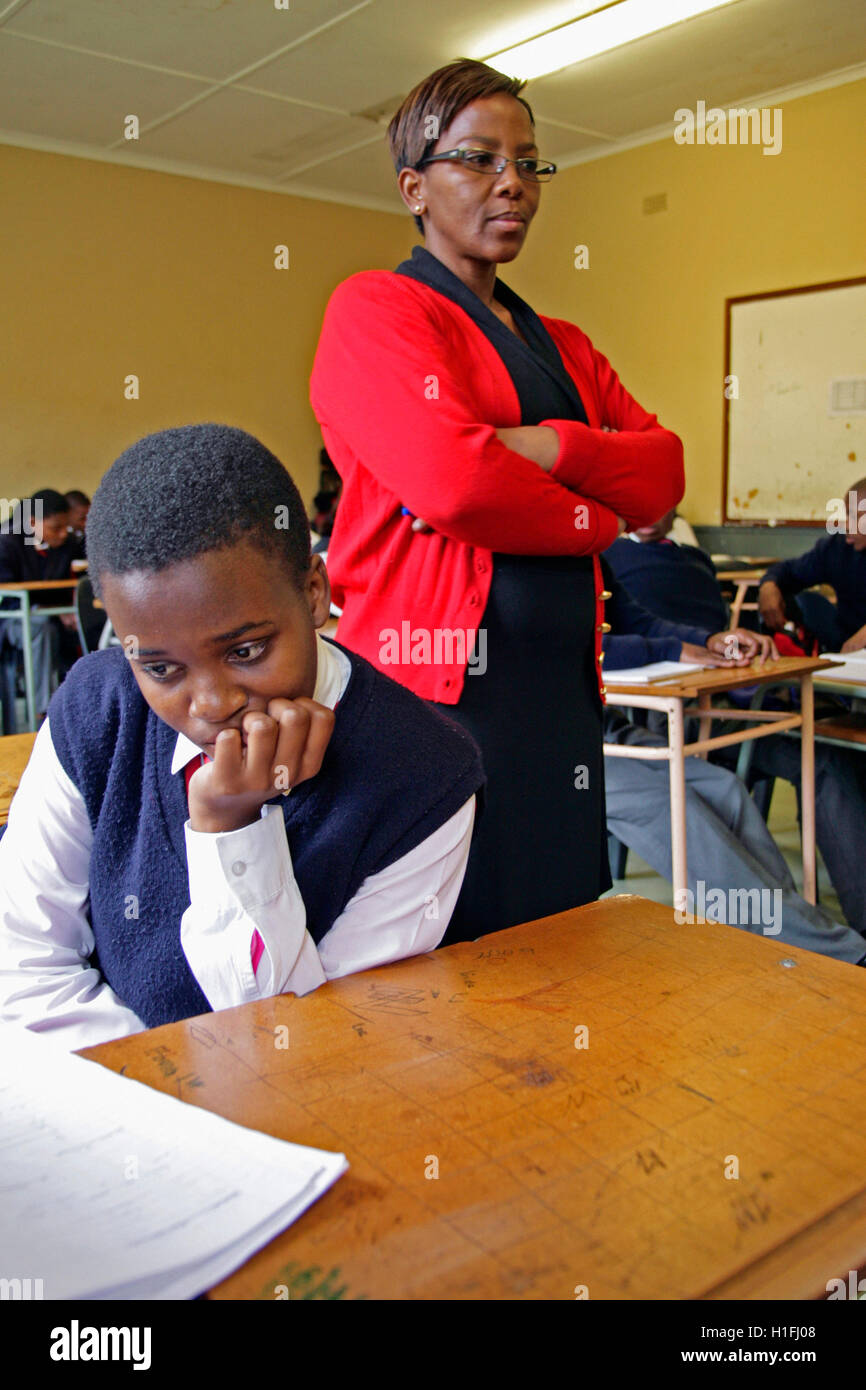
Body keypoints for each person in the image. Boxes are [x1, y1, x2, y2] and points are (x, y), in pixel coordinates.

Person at [311, 59, 684, 942]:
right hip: (433, 694)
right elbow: (460, 484)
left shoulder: (565, 345)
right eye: (478, 159)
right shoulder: (377, 311)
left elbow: (663, 475)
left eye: (529, 162)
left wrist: (550, 445)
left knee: (559, 943)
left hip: (558, 695)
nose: (512, 182)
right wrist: (597, 515)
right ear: (415, 187)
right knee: (443, 959)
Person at [0, 425, 484, 1050]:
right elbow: (21, 971)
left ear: (314, 592)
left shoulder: (425, 777)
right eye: (160, 669)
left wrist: (231, 830)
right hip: (115, 1110)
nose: (212, 704)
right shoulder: (96, 709)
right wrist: (163, 1102)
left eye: (247, 649)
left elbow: (300, 1049)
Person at [600, 540, 866, 939]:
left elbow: (641, 621)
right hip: (616, 717)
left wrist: (710, 640)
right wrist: (678, 648)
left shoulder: (604, 556)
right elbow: (578, 647)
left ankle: (794, 934)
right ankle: (822, 946)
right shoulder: (587, 548)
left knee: (723, 787)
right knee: (673, 802)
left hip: (661, 703)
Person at [758, 476, 866, 653]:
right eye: (846, 515)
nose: (846, 525)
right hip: (847, 658)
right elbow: (789, 571)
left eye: (854, 516)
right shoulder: (837, 549)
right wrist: (768, 586)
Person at [0, 488, 80, 722]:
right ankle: (43, 712)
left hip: (54, 616)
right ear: (33, 522)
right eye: (56, 528)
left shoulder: (67, 546)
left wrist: (67, 611)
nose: (63, 534)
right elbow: (8, 595)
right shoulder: (8, 544)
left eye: (66, 527)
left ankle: (84, 707)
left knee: (85, 625)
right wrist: (50, 611)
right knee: (41, 629)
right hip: (13, 619)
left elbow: (64, 588)